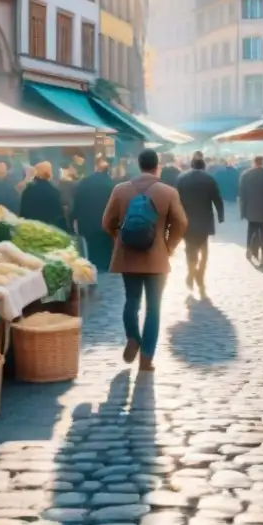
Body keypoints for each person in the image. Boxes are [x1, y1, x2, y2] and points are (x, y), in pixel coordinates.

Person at [102, 149, 188, 371]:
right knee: (154, 307)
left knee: (131, 300)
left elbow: (106, 222)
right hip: (156, 258)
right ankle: (147, 358)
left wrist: (120, 238)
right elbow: (181, 223)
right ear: (157, 166)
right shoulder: (168, 192)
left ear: (139, 165)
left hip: (128, 256)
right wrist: (168, 246)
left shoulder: (120, 190)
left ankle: (132, 336)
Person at [176, 153, 224, 296]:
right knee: (204, 250)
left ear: (191, 166)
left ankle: (191, 272)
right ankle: (200, 276)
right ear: (203, 167)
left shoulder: (181, 178)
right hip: (204, 220)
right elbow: (217, 198)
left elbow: (175, 198)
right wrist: (220, 215)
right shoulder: (209, 179)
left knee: (190, 248)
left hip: (186, 220)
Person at [71, 158, 116, 272]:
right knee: (105, 250)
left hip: (87, 224)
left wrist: (73, 218)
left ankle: (91, 267)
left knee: (90, 249)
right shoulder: (112, 184)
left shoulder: (84, 183)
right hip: (106, 224)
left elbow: (76, 203)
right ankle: (105, 267)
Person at [239, 155, 263, 266]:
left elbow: (242, 194)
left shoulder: (246, 175)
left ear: (253, 162)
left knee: (251, 231)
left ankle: (249, 251)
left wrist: (243, 210)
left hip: (250, 209)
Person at [20, 161, 67, 230]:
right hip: (50, 230)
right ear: (49, 173)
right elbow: (59, 214)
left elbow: (23, 213)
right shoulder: (53, 191)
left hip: (31, 229)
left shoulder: (28, 191)